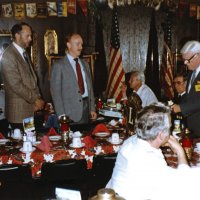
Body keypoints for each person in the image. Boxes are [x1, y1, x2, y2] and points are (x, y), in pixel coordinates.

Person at [106, 102, 200, 200]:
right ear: (160, 135)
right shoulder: (150, 160)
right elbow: (184, 184)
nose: (170, 131)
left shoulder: (130, 141)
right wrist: (180, 151)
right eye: (169, 128)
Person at [1, 22, 44, 130]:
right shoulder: (9, 55)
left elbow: (32, 80)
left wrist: (38, 99)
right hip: (18, 113)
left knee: (30, 143)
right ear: (17, 36)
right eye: (27, 36)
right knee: (22, 144)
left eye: (31, 36)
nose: (30, 39)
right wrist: (36, 99)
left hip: (30, 110)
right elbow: (16, 85)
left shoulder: (23, 53)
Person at [50, 33, 97, 124]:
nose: (81, 47)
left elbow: (90, 88)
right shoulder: (59, 65)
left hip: (86, 110)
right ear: (69, 45)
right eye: (77, 43)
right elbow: (55, 92)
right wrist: (61, 115)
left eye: (81, 44)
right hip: (69, 113)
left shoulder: (85, 64)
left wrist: (92, 108)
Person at [172, 40, 200, 138]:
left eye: (188, 59)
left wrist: (181, 108)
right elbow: (191, 97)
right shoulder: (192, 72)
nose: (185, 62)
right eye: (184, 60)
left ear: (197, 55)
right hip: (193, 126)